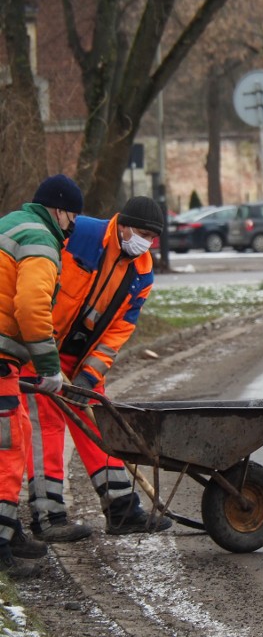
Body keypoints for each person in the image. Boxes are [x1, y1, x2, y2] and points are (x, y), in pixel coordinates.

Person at [22, 196, 172, 542]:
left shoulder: (143, 269)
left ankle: (120, 510)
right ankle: (48, 516)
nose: (146, 243)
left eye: (153, 237)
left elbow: (120, 330)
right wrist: (39, 346)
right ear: (122, 225)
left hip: (83, 355)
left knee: (99, 423)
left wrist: (90, 374)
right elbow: (39, 277)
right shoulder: (80, 235)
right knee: (47, 424)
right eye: (142, 233)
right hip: (44, 346)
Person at [0, 174, 82, 580]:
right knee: (8, 450)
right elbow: (32, 308)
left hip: (6, 362)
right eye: (71, 218)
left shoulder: (12, 223)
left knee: (20, 430)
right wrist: (49, 368)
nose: (70, 228)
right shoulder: (40, 240)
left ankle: (10, 529)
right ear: (60, 210)